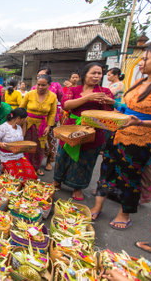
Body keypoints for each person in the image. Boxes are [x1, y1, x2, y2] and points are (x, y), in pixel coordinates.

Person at [91, 43, 151, 229]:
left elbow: (143, 117)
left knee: (129, 177)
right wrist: (114, 103)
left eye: (145, 59)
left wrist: (141, 123)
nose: (140, 63)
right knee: (106, 170)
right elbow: (128, 109)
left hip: (139, 140)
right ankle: (98, 205)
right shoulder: (140, 83)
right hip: (118, 134)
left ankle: (124, 213)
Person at [53, 63, 114, 201]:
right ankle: (57, 181)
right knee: (63, 156)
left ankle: (77, 187)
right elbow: (66, 105)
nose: (97, 76)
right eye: (93, 73)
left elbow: (109, 112)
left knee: (85, 160)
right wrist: (87, 98)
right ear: (84, 75)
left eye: (99, 73)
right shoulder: (74, 90)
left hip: (92, 131)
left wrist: (109, 102)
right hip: (71, 129)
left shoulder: (104, 91)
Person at [19, 74, 57, 176]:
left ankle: (36, 168)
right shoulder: (29, 94)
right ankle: (25, 166)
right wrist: (19, 121)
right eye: (38, 84)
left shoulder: (53, 96)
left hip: (42, 126)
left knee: (39, 148)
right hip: (28, 124)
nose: (40, 87)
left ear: (49, 85)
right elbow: (21, 108)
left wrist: (48, 126)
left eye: (43, 85)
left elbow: (52, 113)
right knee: (26, 146)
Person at [0, 107, 38, 180]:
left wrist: (25, 124)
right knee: (17, 178)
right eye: (23, 120)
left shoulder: (19, 127)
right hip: (7, 158)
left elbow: (21, 138)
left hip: (19, 156)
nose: (24, 122)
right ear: (18, 118)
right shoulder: (3, 127)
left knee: (32, 176)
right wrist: (1, 144)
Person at [32, 68, 63, 171]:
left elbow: (60, 99)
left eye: (42, 75)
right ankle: (38, 162)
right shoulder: (33, 88)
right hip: (37, 120)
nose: (39, 77)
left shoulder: (56, 86)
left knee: (51, 142)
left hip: (51, 119)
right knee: (39, 143)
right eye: (38, 76)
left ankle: (49, 160)